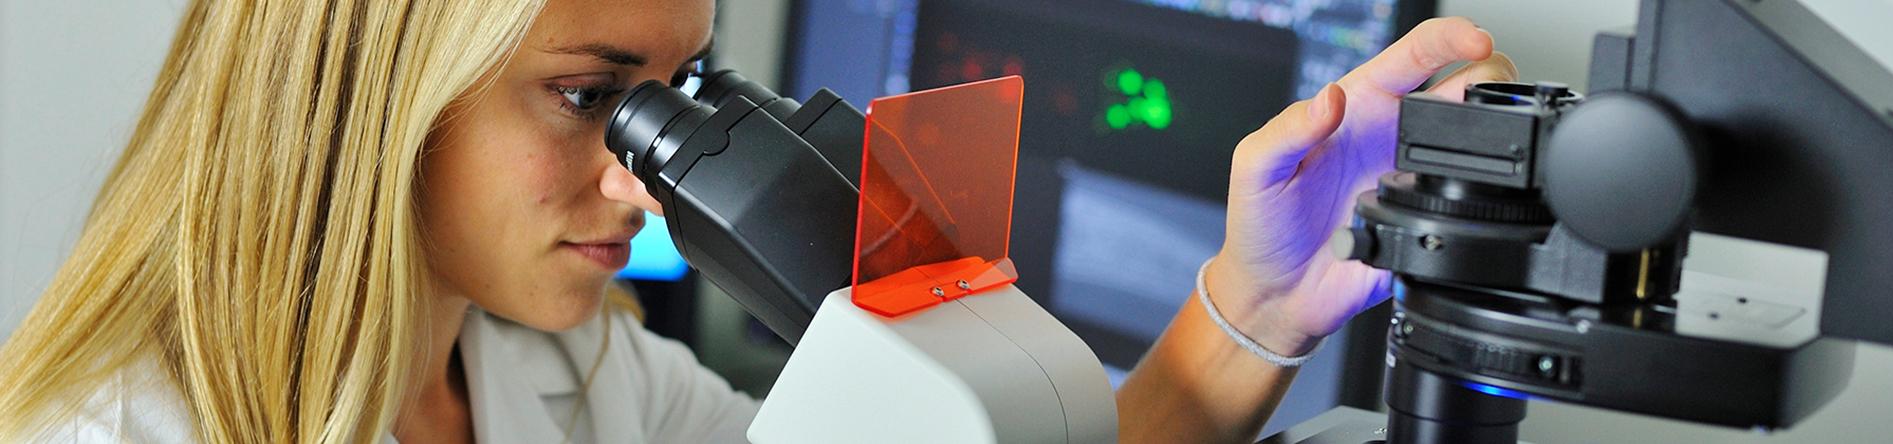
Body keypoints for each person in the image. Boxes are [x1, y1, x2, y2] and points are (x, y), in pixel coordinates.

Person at [0, 0, 1516, 442]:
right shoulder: (120, 436)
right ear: (370, 94)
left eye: (679, 98)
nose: (646, 175)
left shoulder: (580, 376)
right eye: (595, 96)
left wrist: (1263, 293)